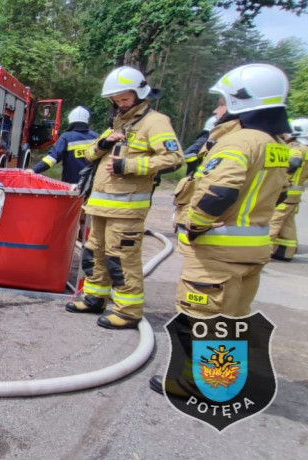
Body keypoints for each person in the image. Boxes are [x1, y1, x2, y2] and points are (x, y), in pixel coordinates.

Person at [151, 63, 291, 394]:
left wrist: (193, 226)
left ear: (243, 102)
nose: (217, 109)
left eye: (222, 102)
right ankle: (219, 380)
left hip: (220, 250)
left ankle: (196, 384)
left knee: (202, 316)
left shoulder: (239, 142)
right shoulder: (275, 145)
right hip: (252, 249)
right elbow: (281, 192)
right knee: (229, 318)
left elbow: (220, 192)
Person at [66, 66, 182, 330]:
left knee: (121, 259)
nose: (119, 104)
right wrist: (103, 145)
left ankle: (127, 311)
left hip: (128, 209)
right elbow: (88, 155)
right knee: (94, 253)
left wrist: (128, 167)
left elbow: (175, 158)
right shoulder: (119, 123)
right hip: (101, 206)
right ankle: (94, 297)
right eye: (116, 100)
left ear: (140, 94)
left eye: (125, 99)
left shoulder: (155, 122)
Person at [269, 118, 308, 260]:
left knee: (273, 221)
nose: (284, 135)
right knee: (287, 223)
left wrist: (284, 175)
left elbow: (294, 163)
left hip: (287, 191)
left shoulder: (297, 148)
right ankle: (286, 252)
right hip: (295, 195)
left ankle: (262, 251)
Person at [31, 106, 99, 184]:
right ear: (87, 120)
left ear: (71, 121)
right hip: (93, 184)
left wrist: (34, 170)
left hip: (71, 185)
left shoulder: (66, 137)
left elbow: (51, 159)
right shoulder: (97, 137)